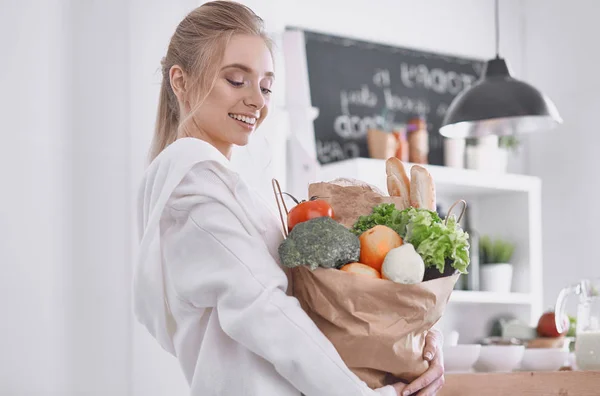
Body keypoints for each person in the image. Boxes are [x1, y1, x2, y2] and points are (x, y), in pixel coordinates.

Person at [132, 2, 445, 395]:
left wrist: (417, 342)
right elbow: (267, 313)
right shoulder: (193, 189)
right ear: (180, 80)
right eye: (235, 79)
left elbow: (314, 309)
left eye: (265, 87)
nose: (257, 101)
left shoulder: (221, 186)